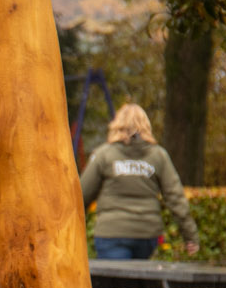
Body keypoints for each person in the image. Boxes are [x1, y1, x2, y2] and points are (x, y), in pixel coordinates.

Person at [80, 103, 200, 260]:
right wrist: (190, 236)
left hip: (111, 233)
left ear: (116, 126)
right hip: (147, 234)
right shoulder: (158, 155)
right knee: (140, 282)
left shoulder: (103, 154)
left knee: (116, 282)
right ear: (146, 126)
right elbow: (175, 198)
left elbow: (81, 196)